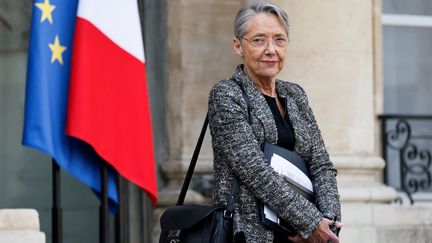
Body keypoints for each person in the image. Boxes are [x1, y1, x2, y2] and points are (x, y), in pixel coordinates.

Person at [207, 1, 342, 242]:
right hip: (249, 234)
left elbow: (321, 165)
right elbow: (254, 170)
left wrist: (328, 221)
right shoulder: (226, 94)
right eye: (258, 40)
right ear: (238, 45)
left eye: (279, 39)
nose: (271, 49)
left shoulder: (295, 95)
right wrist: (311, 224)